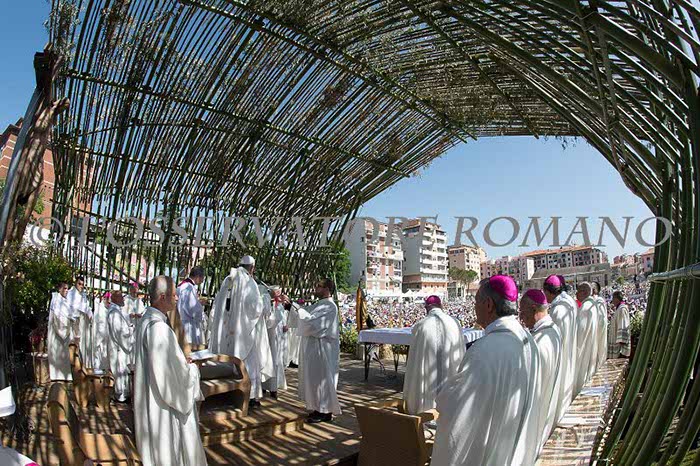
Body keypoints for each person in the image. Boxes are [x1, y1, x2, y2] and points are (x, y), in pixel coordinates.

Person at [431, 275, 539, 466]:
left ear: (488, 305)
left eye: (476, 302)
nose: (474, 308)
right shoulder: (527, 339)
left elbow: (459, 410)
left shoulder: (484, 350)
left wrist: (443, 396)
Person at [134, 276, 207, 466]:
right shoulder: (159, 329)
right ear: (162, 297)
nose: (177, 298)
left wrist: (180, 360)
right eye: (174, 294)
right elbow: (171, 380)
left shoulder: (146, 321)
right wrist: (191, 369)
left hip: (151, 396)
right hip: (162, 406)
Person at [208, 256, 272, 408]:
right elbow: (255, 309)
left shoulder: (228, 279)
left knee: (228, 359)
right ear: (252, 267)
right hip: (243, 333)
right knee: (248, 363)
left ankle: (226, 393)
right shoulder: (249, 282)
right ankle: (249, 397)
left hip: (226, 330)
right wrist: (266, 298)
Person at [402, 295, 465, 415]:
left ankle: (425, 416)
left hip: (427, 385)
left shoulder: (421, 326)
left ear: (426, 308)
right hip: (450, 380)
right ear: (441, 306)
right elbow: (461, 352)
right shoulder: (454, 323)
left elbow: (414, 359)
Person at [520, 289, 562, 457]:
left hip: (537, 411)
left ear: (533, 309)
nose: (521, 318)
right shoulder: (551, 330)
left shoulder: (541, 341)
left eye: (522, 312)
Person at [295, 278, 341, 424]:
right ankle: (318, 408)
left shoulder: (330, 306)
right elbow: (306, 313)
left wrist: (297, 310)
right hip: (315, 349)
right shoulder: (320, 304)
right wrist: (291, 306)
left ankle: (323, 411)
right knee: (315, 379)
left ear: (327, 289)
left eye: (319, 286)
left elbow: (313, 323)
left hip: (323, 350)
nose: (316, 288)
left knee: (322, 379)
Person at [543, 274, 577, 422]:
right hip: (570, 350)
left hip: (560, 354)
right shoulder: (569, 302)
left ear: (548, 291)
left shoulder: (557, 310)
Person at [107, 291, 133, 402]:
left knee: (122, 369)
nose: (123, 299)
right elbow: (119, 333)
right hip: (119, 348)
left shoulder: (117, 311)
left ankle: (124, 393)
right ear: (115, 299)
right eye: (121, 297)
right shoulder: (114, 313)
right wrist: (131, 330)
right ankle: (121, 395)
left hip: (120, 348)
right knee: (120, 369)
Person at [574, 282, 599, 395]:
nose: (576, 294)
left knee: (582, 380)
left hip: (584, 351)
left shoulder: (585, 308)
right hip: (591, 346)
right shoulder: (592, 305)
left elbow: (580, 334)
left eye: (578, 291)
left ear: (584, 292)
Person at [263, 287, 288, 398]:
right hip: (268, 336)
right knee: (266, 360)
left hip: (277, 338)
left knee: (276, 362)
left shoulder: (280, 306)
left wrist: (285, 326)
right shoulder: (268, 304)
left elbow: (282, 319)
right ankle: (264, 386)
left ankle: (274, 387)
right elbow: (269, 320)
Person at [66, 276, 93, 368]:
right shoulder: (71, 293)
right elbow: (75, 306)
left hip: (83, 322)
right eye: (79, 284)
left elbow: (86, 306)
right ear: (75, 284)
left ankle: (83, 364)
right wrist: (87, 311)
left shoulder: (83, 294)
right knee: (75, 343)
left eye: (83, 284)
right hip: (74, 321)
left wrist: (89, 313)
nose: (81, 286)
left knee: (83, 344)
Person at [48, 282, 72, 381]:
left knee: (64, 354)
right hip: (57, 330)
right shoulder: (56, 300)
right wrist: (63, 329)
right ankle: (56, 375)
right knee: (56, 352)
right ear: (59, 289)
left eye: (67, 289)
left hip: (66, 329)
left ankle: (65, 374)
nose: (66, 291)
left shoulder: (66, 300)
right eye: (64, 288)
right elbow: (57, 317)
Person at [177, 267, 206, 346]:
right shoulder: (188, 287)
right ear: (197, 276)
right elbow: (192, 309)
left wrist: (197, 302)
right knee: (189, 347)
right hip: (188, 324)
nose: (202, 281)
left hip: (183, 320)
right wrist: (201, 312)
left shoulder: (183, 285)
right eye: (202, 278)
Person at [608, 291, 631, 359]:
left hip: (620, 343)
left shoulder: (622, 309)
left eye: (613, 298)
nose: (612, 301)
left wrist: (622, 340)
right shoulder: (619, 308)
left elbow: (623, 324)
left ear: (616, 299)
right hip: (616, 340)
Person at [92, 292, 111, 370]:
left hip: (107, 339)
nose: (109, 302)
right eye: (107, 300)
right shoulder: (99, 310)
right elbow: (99, 325)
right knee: (99, 356)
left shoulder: (109, 309)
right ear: (104, 299)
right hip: (100, 338)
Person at [592, 282, 609, 369]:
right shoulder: (593, 301)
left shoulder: (599, 301)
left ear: (595, 290)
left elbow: (601, 320)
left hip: (598, 333)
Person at [286, 299, 303, 368]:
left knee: (296, 346)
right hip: (293, 330)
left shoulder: (300, 310)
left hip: (298, 330)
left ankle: (295, 360)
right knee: (292, 345)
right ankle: (291, 360)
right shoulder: (293, 310)